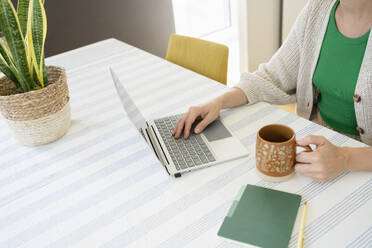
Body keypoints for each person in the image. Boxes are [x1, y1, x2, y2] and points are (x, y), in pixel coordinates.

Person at [172, 0, 372, 182]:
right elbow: (272, 77)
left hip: (362, 161)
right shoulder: (317, 10)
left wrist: (345, 158)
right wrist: (218, 102)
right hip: (316, 149)